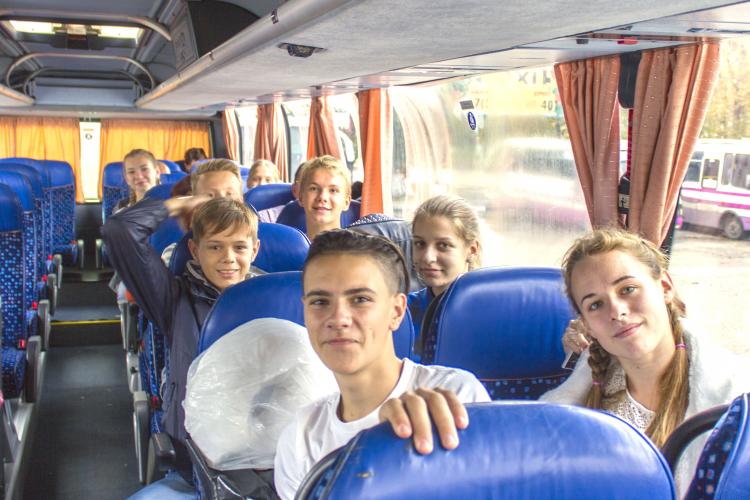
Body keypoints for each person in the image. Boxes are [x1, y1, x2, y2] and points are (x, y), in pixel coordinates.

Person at [379, 228, 750, 494]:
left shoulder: (734, 399)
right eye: (595, 304)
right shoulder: (583, 395)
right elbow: (517, 459)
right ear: (585, 322)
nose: (617, 311)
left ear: (664, 287)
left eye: (628, 289)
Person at [273, 230, 490, 500]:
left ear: (396, 311)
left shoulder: (455, 395)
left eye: (360, 299)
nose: (338, 318)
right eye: (320, 302)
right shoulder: (301, 437)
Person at [103, 196, 262, 498]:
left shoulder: (273, 297)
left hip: (269, 453)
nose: (228, 258)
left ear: (254, 250)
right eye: (214, 247)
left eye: (239, 247)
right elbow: (119, 230)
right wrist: (178, 204)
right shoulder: (174, 299)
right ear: (194, 249)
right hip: (196, 457)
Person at [408, 194, 481, 351]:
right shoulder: (403, 312)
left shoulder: (492, 312)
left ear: (471, 250)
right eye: (420, 243)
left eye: (443, 245)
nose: (428, 258)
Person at [297, 155, 351, 240]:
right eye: (314, 188)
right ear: (300, 198)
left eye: (333, 190)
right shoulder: (287, 246)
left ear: (346, 202)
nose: (322, 197)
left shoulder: (359, 247)